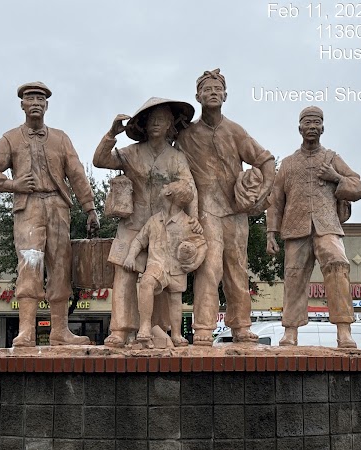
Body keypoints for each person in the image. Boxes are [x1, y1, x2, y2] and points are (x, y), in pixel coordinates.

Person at [0, 81, 99, 347]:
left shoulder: (60, 138)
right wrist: (12, 184)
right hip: (28, 207)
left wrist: (89, 207)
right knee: (30, 265)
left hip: (58, 207)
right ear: (22, 105)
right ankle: (26, 332)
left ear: (47, 105)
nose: (35, 104)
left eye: (40, 100)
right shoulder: (11, 138)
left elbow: (77, 173)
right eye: (30, 99)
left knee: (61, 266)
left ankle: (60, 331)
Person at [176, 69, 276, 345]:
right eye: (207, 89)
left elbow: (266, 160)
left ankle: (241, 325)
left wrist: (262, 193)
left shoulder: (235, 130)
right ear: (197, 96)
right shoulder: (186, 136)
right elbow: (176, 171)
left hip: (235, 211)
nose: (213, 93)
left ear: (226, 95)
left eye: (217, 89)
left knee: (237, 269)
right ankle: (203, 328)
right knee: (209, 268)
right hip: (205, 210)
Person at [93, 98, 200, 347]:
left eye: (161, 120)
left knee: (161, 278)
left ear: (170, 125)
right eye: (151, 120)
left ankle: (157, 329)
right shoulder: (132, 152)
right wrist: (111, 134)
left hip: (163, 226)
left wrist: (193, 218)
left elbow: (189, 188)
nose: (155, 124)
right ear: (143, 124)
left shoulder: (176, 157)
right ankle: (119, 330)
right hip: (132, 222)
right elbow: (100, 160)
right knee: (123, 273)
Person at [266, 106, 361, 348]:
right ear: (299, 128)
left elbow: (359, 187)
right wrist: (271, 232)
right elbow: (275, 200)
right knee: (293, 276)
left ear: (323, 128)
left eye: (316, 122)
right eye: (307, 122)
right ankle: (290, 331)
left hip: (327, 226)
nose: (312, 126)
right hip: (295, 228)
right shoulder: (288, 163)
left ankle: (344, 331)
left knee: (338, 265)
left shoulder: (332, 159)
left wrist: (336, 177)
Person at [123, 180, 207, 347]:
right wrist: (131, 256)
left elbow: (202, 245)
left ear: (169, 194)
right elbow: (140, 240)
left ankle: (176, 334)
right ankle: (145, 327)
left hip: (177, 268)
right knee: (146, 282)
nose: (162, 186)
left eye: (166, 186)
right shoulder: (154, 221)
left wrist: (194, 264)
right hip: (156, 265)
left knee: (176, 300)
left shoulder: (188, 223)